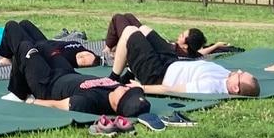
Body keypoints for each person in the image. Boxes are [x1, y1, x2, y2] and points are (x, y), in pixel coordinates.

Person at [4, 37, 149, 117]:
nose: (125, 89)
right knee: (43, 45)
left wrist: (32, 103)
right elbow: (134, 88)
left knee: (24, 46)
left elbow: (56, 105)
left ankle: (18, 93)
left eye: (125, 92)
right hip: (66, 72)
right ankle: (26, 75)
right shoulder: (117, 89)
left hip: (47, 84)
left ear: (118, 104)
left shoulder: (88, 103)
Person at [111, 24, 260, 97]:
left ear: (235, 88)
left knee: (130, 30)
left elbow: (171, 90)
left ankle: (112, 79)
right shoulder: (227, 76)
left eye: (240, 75)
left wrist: (142, 88)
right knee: (144, 29)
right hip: (171, 62)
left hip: (157, 75)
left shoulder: (210, 86)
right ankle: (128, 74)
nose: (239, 71)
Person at [104, 12, 230, 59]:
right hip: (146, 35)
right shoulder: (190, 52)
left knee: (118, 18)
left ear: (186, 46)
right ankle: (114, 45)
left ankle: (109, 47)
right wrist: (217, 45)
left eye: (182, 36)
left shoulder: (174, 51)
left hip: (142, 42)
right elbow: (201, 52)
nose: (179, 36)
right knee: (128, 16)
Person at [0, 20, 100, 69]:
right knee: (24, 23)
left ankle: (7, 57)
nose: (83, 56)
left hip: (34, 50)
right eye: (87, 55)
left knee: (11, 26)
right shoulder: (79, 47)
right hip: (44, 42)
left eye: (82, 61)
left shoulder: (65, 61)